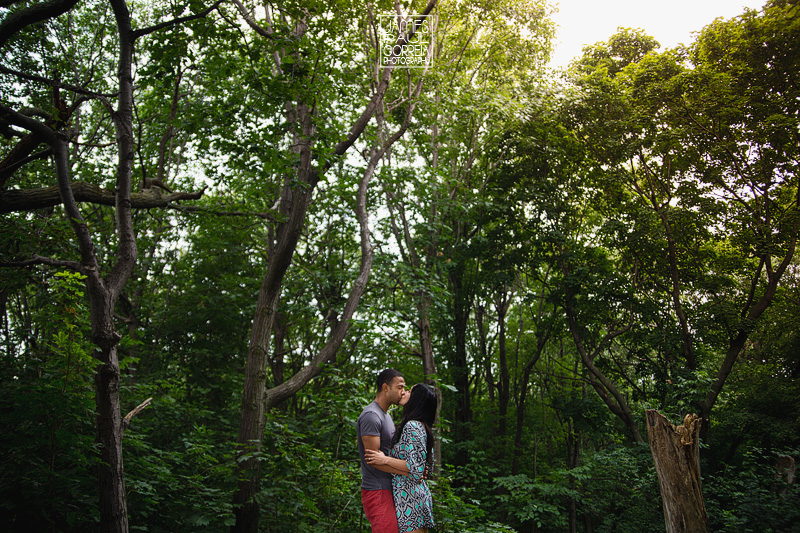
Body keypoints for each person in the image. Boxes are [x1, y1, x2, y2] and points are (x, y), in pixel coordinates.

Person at [365, 383, 438, 533]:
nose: (404, 392)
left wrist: (384, 460)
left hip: (410, 499)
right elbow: (426, 470)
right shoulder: (422, 427)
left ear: (417, 399)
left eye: (410, 391)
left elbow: (417, 470)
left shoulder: (413, 426)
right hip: (414, 496)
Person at [357, 369, 407, 533]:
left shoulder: (386, 416)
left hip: (390, 489)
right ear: (386, 387)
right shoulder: (371, 415)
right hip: (377, 490)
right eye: (399, 387)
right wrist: (409, 470)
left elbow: (386, 456)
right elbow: (374, 460)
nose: (403, 392)